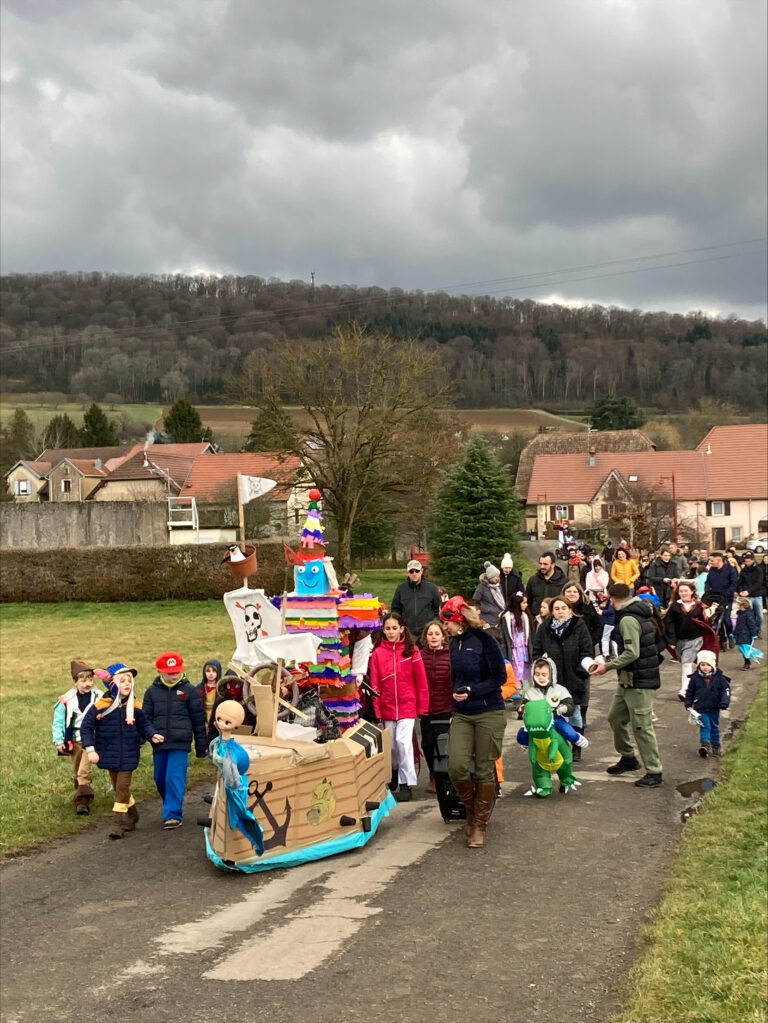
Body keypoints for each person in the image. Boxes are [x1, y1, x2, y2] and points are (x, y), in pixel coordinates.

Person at [440, 596, 506, 850]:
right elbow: (454, 679)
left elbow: (499, 676)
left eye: (446, 622)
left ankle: (479, 824)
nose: (444, 628)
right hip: (462, 713)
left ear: (458, 620)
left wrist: (473, 690)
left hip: (489, 710)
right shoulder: (454, 643)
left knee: (483, 768)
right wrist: (455, 703)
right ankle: (470, 812)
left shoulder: (484, 640)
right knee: (456, 765)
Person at [589, 583, 664, 787]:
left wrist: (608, 665)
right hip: (628, 680)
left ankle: (654, 770)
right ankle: (628, 757)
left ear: (612, 599)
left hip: (640, 680)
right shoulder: (636, 611)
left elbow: (633, 653)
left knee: (641, 726)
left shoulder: (629, 619)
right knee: (615, 718)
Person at [80, 664, 164, 839]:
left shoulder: (136, 706)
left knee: (121, 788)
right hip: (108, 754)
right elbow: (86, 727)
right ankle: (133, 815)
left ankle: (118, 824)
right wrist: (90, 750)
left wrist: (152, 735)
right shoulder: (101, 706)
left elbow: (144, 725)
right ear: (112, 684)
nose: (127, 684)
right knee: (122, 789)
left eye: (130, 681)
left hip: (129, 754)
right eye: (123, 681)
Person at [142, 651, 208, 829]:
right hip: (159, 743)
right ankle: (170, 803)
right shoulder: (151, 692)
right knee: (160, 778)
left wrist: (202, 746)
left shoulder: (189, 691)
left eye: (176, 672)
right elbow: (145, 719)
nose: (174, 675)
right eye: (170, 672)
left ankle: (172, 814)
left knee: (174, 777)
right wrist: (147, 736)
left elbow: (198, 720)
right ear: (160, 672)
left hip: (180, 743)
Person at [369, 613, 429, 803]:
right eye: (387, 628)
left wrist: (422, 706)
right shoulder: (377, 653)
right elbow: (375, 684)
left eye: (394, 628)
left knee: (403, 743)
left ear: (402, 629)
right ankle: (393, 771)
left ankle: (406, 783)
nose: (391, 632)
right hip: (387, 706)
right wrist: (377, 710)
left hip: (407, 705)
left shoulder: (412, 651)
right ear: (383, 630)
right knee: (392, 746)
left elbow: (421, 681)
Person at [531, 595, 595, 759]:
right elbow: (537, 650)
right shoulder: (545, 627)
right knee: (553, 713)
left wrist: (581, 671)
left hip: (573, 676)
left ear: (570, 609)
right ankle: (557, 744)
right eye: (557, 609)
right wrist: (541, 670)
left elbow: (587, 650)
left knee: (574, 712)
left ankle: (576, 746)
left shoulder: (579, 625)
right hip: (551, 679)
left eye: (563, 608)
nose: (560, 612)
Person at [52, 660, 104, 816]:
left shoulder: (99, 697)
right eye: (83, 680)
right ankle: (81, 793)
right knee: (76, 771)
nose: (87, 683)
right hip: (73, 741)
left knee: (83, 771)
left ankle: (82, 803)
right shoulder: (66, 700)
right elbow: (58, 722)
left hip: (91, 740)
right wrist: (59, 740)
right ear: (75, 681)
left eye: (90, 679)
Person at [663, 580, 716, 700]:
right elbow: (669, 623)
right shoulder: (675, 606)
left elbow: (705, 622)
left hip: (695, 639)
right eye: (681, 591)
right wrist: (671, 640)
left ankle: (685, 691)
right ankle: (701, 686)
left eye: (686, 590)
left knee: (687, 664)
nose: (683, 593)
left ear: (692, 591)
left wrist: (712, 611)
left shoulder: (698, 606)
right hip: (680, 640)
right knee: (687, 663)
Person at [418, 620, 453, 793]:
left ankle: (445, 776)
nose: (433, 637)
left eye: (437, 634)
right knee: (428, 744)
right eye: (430, 634)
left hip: (446, 706)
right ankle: (433, 774)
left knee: (445, 744)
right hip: (426, 708)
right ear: (425, 636)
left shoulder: (450, 654)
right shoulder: (419, 655)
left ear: (443, 636)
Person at [684, 650, 730, 757]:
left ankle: (716, 745)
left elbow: (725, 691)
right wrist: (688, 703)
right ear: (699, 665)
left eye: (708, 665)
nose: (705, 667)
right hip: (700, 708)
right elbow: (690, 692)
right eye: (702, 664)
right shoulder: (695, 678)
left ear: (713, 665)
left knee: (714, 726)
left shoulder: (720, 678)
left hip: (714, 707)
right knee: (705, 725)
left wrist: (724, 702)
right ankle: (705, 744)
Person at [391, 560, 442, 639]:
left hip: (427, 633)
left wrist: (434, 625)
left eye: (417, 571)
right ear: (408, 572)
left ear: (421, 571)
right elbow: (395, 610)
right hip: (408, 634)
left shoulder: (431, 588)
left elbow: (438, 608)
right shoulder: (401, 589)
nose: (414, 574)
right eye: (411, 571)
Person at [499, 593, 534, 689]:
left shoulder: (525, 616)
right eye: (524, 603)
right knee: (515, 665)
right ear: (517, 603)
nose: (526, 605)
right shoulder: (507, 617)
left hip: (524, 647)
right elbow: (504, 635)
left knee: (525, 666)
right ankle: (515, 684)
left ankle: (525, 684)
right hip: (513, 648)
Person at [705, 553, 738, 643]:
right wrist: (707, 592)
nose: (710, 562)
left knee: (726, 619)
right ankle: (722, 639)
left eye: (712, 560)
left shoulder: (731, 570)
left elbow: (734, 584)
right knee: (715, 619)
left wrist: (725, 594)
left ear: (719, 560)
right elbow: (707, 582)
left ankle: (730, 635)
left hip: (727, 598)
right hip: (714, 598)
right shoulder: (712, 570)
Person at [525, 552, 567, 617]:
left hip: (556, 619)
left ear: (553, 564)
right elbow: (528, 600)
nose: (542, 566)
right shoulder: (533, 580)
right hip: (536, 619)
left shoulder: (564, 581)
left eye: (545, 564)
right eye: (541, 564)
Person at [561, 581, 602, 647]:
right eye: (569, 591)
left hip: (585, 648)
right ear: (564, 593)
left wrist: (590, 642)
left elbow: (598, 626)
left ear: (579, 594)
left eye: (575, 592)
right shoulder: (557, 607)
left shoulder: (588, 606)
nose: (572, 594)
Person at [737, 551, 765, 638]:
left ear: (753, 560)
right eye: (746, 561)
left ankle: (758, 629)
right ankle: (751, 630)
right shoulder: (743, 571)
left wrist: (748, 591)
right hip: (746, 596)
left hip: (756, 595)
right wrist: (741, 591)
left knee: (759, 615)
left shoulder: (759, 570)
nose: (747, 563)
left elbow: (759, 583)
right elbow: (740, 583)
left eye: (749, 561)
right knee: (749, 615)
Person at [473, 561, 506, 630]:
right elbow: (475, 600)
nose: (497, 578)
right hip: (487, 618)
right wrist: (483, 609)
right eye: (495, 576)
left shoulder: (498, 586)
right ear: (490, 577)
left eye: (498, 576)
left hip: (499, 617)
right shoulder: (481, 587)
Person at [733, 596, 759, 670]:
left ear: (742, 605)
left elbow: (752, 625)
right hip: (741, 634)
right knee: (742, 649)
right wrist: (734, 633)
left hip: (746, 634)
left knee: (745, 649)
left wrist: (754, 634)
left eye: (738, 604)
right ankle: (747, 661)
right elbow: (738, 625)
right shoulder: (741, 613)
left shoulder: (748, 614)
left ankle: (747, 663)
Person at [196, 658, 222, 726]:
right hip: (204, 716)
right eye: (208, 671)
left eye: (214, 671)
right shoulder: (200, 687)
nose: (211, 674)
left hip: (217, 715)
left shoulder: (221, 688)